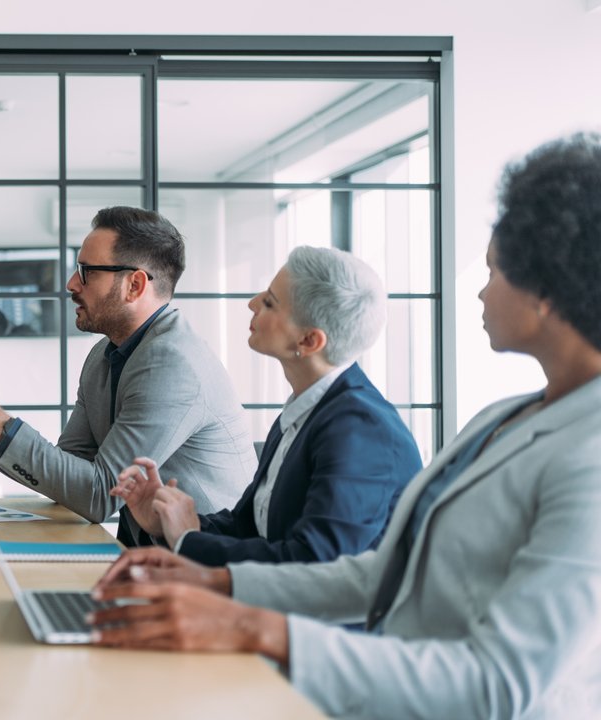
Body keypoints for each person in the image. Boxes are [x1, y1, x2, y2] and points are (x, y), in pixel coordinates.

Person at [90, 134, 601, 719]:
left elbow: (498, 686)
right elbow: (380, 575)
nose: (482, 288)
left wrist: (252, 625)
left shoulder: (589, 460)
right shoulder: (503, 417)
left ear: (546, 289)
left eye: (494, 270)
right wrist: (215, 585)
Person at [0, 206, 256, 545]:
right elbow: (70, 474)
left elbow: (100, 495)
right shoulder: (105, 355)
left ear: (134, 285)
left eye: (87, 271)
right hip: (148, 559)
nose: (71, 283)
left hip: (205, 566)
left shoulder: (172, 364)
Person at [111, 246, 422, 565]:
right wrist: (167, 522)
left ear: (309, 342)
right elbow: (248, 528)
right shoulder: (308, 408)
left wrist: (188, 540)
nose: (252, 303)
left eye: (270, 302)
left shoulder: (360, 429)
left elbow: (313, 562)